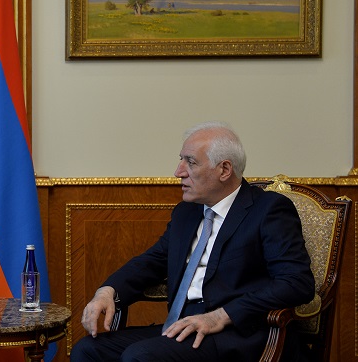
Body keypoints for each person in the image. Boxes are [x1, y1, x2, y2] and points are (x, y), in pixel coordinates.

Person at [72, 121, 315, 362]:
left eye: (191, 162)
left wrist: (220, 316)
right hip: (183, 327)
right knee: (88, 350)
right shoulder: (186, 212)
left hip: (237, 332)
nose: (178, 172)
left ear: (224, 170)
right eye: (181, 160)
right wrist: (108, 290)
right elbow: (153, 261)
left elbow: (296, 282)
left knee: (140, 357)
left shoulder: (268, 210)